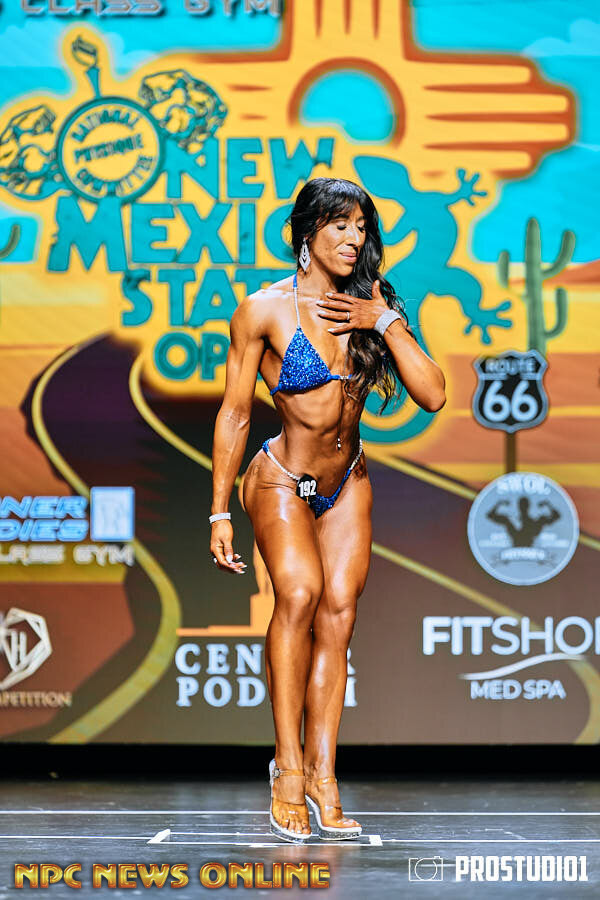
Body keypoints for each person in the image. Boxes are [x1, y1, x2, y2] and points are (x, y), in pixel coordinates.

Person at [209, 177, 446, 843]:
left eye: (361, 227)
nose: (353, 238)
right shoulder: (263, 310)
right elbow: (234, 413)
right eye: (340, 225)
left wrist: (385, 322)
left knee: (339, 617)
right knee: (300, 595)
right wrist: (218, 511)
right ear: (307, 233)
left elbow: (432, 395)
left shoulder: (372, 302)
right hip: (282, 478)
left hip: (348, 481)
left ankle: (321, 774)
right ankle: (286, 768)